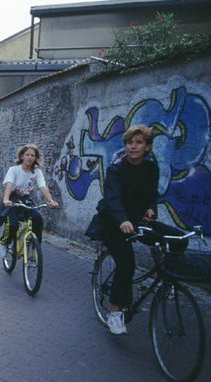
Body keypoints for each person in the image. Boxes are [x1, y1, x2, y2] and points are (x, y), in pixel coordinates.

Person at [85, 125, 188, 335]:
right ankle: (115, 313)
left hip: (138, 219)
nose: (133, 146)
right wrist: (122, 219)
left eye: (138, 143)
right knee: (126, 265)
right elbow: (112, 198)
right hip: (114, 221)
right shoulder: (117, 169)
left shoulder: (151, 167)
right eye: (130, 143)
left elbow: (152, 194)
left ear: (147, 147)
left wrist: (151, 208)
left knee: (178, 239)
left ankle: (162, 278)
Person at [0, 144, 59, 257]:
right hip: (12, 199)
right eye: (27, 155)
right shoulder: (14, 170)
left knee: (38, 219)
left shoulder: (37, 172)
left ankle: (35, 248)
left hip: (25, 200)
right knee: (13, 225)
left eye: (33, 155)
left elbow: (43, 187)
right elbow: (9, 185)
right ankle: (4, 242)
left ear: (35, 158)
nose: (30, 157)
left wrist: (50, 200)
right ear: (22, 156)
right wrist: (6, 199)